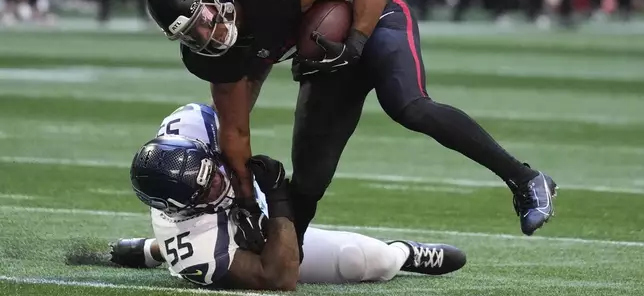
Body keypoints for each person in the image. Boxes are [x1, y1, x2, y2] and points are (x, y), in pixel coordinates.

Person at [143, 0, 558, 260]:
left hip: (372, 20)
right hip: (328, 57)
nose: (206, 33)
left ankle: (526, 180)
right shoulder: (210, 54)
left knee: (408, 105)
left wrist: (356, 44)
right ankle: (289, 258)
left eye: (203, 17)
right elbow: (235, 130)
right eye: (191, 32)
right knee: (308, 179)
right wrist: (248, 202)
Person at [109, 103, 467, 291]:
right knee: (367, 262)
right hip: (220, 238)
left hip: (222, 223)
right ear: (183, 208)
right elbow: (279, 278)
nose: (221, 182)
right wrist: (278, 197)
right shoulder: (199, 247)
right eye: (208, 189)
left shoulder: (192, 124)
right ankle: (403, 253)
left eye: (214, 170)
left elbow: (234, 103)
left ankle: (152, 249)